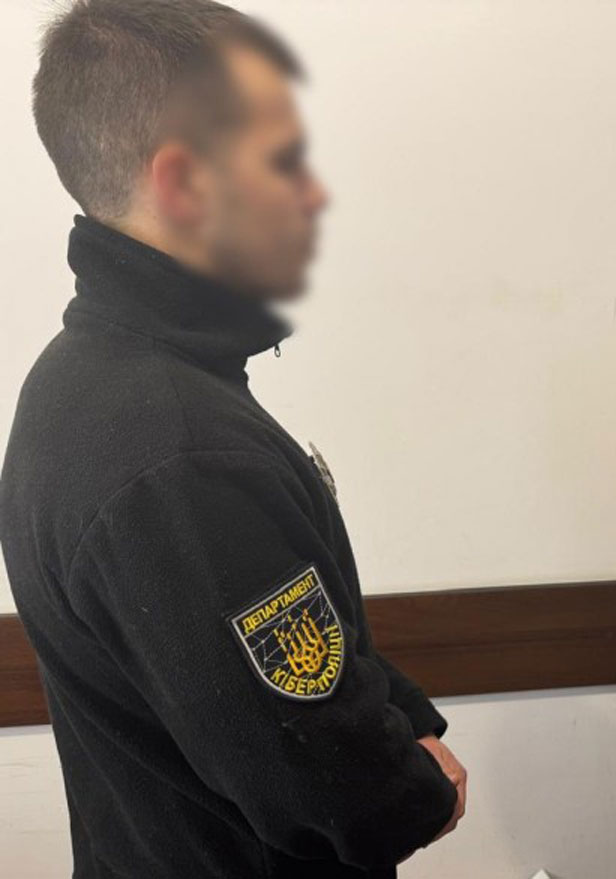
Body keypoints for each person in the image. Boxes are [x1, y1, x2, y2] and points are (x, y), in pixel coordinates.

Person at [0, 1, 466, 876]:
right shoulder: (179, 457)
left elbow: (269, 655)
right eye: (283, 159)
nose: (312, 193)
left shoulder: (77, 379)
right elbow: (343, 796)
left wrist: (403, 714)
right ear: (182, 184)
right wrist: (420, 788)